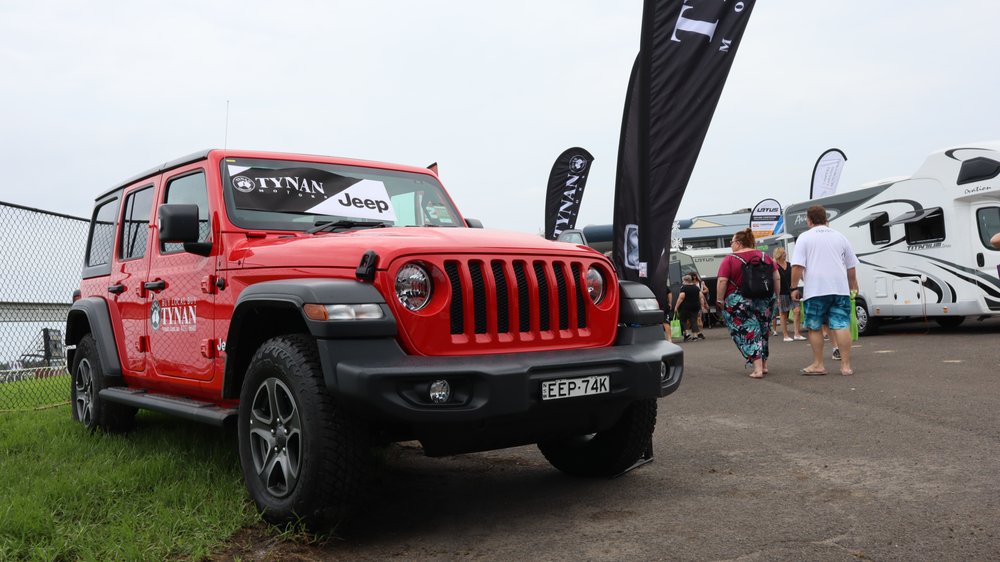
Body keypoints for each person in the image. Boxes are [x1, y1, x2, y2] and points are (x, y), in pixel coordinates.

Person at [790, 205, 860, 376]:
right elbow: (851, 266)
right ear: (826, 218)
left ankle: (819, 364)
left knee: (815, 327)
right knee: (841, 325)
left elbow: (798, 266)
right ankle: (845, 366)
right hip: (840, 288)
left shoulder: (805, 238)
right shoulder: (840, 237)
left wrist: (793, 287)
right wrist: (853, 286)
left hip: (816, 289)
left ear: (809, 220)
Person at [716, 228, 780, 379]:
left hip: (739, 299)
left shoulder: (730, 259)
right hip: (765, 297)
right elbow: (776, 277)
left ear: (738, 243)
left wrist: (719, 299)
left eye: (731, 242)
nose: (731, 245)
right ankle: (764, 365)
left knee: (747, 329)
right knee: (764, 329)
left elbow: (722, 281)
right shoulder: (765, 256)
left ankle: (757, 369)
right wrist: (776, 296)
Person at [771, 246, 804, 341]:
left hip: (792, 291)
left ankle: (797, 334)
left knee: (797, 311)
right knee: (783, 314)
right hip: (781, 292)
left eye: (785, 253)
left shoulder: (790, 265)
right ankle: (785, 336)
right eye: (783, 253)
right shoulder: (774, 266)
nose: (785, 254)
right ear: (779, 255)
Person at [674, 274, 706, 341]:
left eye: (683, 281)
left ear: (685, 280)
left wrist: (676, 307)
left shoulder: (684, 288)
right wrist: (702, 306)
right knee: (694, 320)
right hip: (695, 306)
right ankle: (695, 336)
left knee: (683, 320)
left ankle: (687, 333)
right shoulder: (696, 288)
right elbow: (701, 297)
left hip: (685, 307)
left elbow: (681, 298)